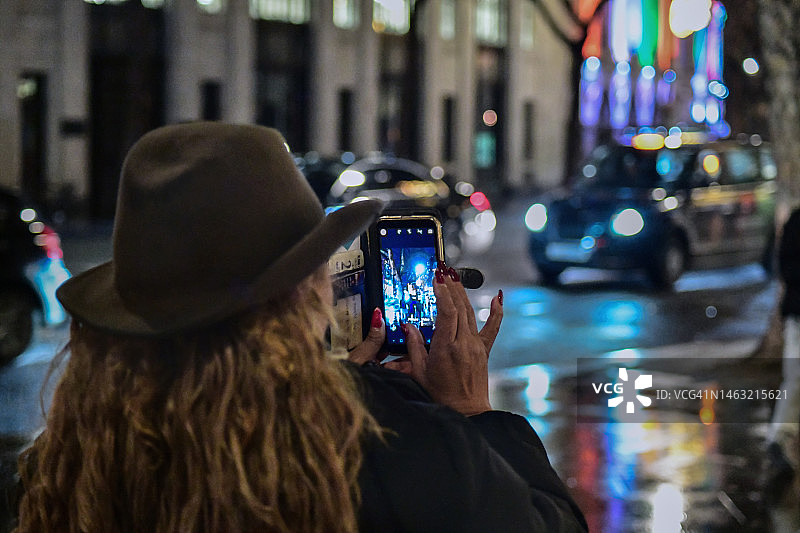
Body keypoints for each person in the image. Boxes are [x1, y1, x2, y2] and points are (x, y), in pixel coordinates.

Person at [13, 122, 587, 532]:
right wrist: (468, 414)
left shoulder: (67, 463)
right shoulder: (394, 452)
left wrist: (340, 389)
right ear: (301, 294)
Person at [765, 206, 800, 514]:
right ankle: (780, 436)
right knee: (796, 379)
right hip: (799, 316)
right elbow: (784, 267)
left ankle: (781, 435)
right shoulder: (796, 222)